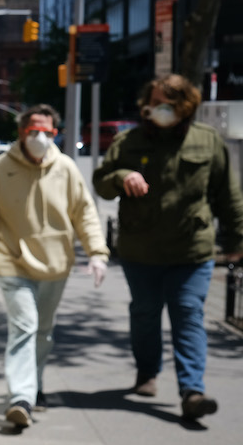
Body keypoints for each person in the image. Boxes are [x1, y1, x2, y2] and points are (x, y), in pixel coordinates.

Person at [93, 74, 243, 422]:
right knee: (144, 314)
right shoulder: (127, 141)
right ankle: (147, 372)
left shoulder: (207, 141)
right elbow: (102, 184)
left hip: (191, 251)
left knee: (188, 314)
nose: (158, 109)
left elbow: (228, 195)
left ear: (184, 107)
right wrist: (121, 177)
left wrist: (237, 241)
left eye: (167, 103)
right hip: (140, 250)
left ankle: (192, 391)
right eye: (155, 101)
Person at [0, 104, 108, 428]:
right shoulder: (1, 168)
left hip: (56, 265)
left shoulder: (66, 168)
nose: (41, 137)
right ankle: (21, 398)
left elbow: (85, 213)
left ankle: (35, 385)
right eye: (34, 131)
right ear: (21, 133)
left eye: (48, 132)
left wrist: (97, 253)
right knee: (24, 327)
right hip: (14, 263)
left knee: (43, 330)